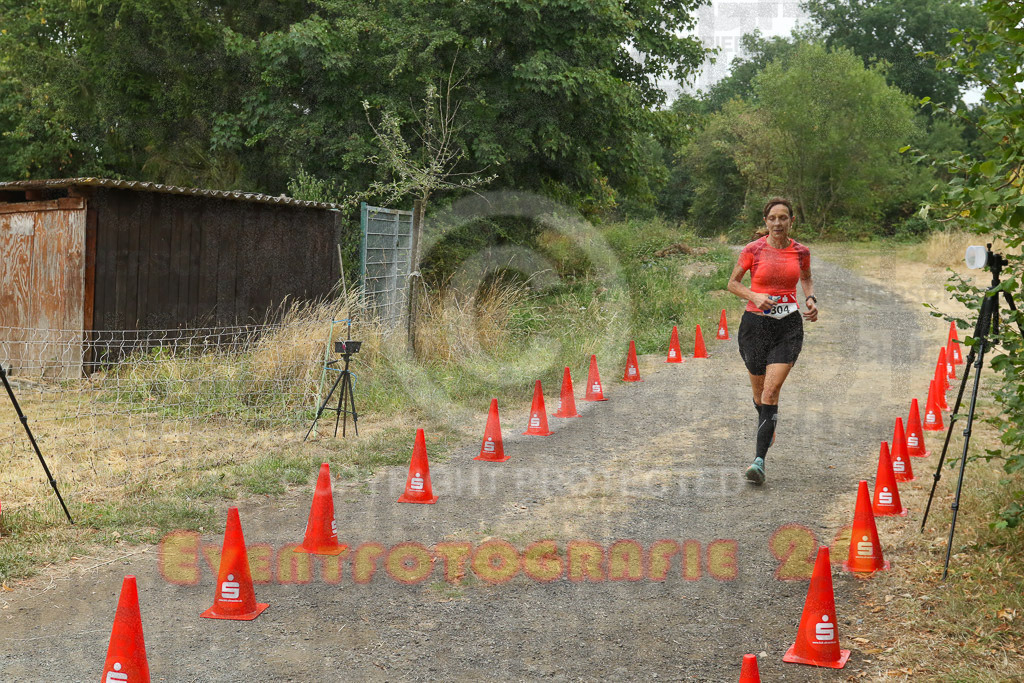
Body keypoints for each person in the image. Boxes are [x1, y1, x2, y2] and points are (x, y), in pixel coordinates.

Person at [726, 197, 818, 485]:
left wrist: (811, 298)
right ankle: (768, 421)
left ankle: (758, 461)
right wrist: (754, 296)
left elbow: (806, 278)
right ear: (765, 221)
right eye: (772, 218)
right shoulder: (753, 250)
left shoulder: (801, 251)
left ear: (791, 220)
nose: (778, 222)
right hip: (755, 326)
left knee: (771, 391)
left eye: (783, 217)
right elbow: (733, 283)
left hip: (788, 326)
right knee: (759, 396)